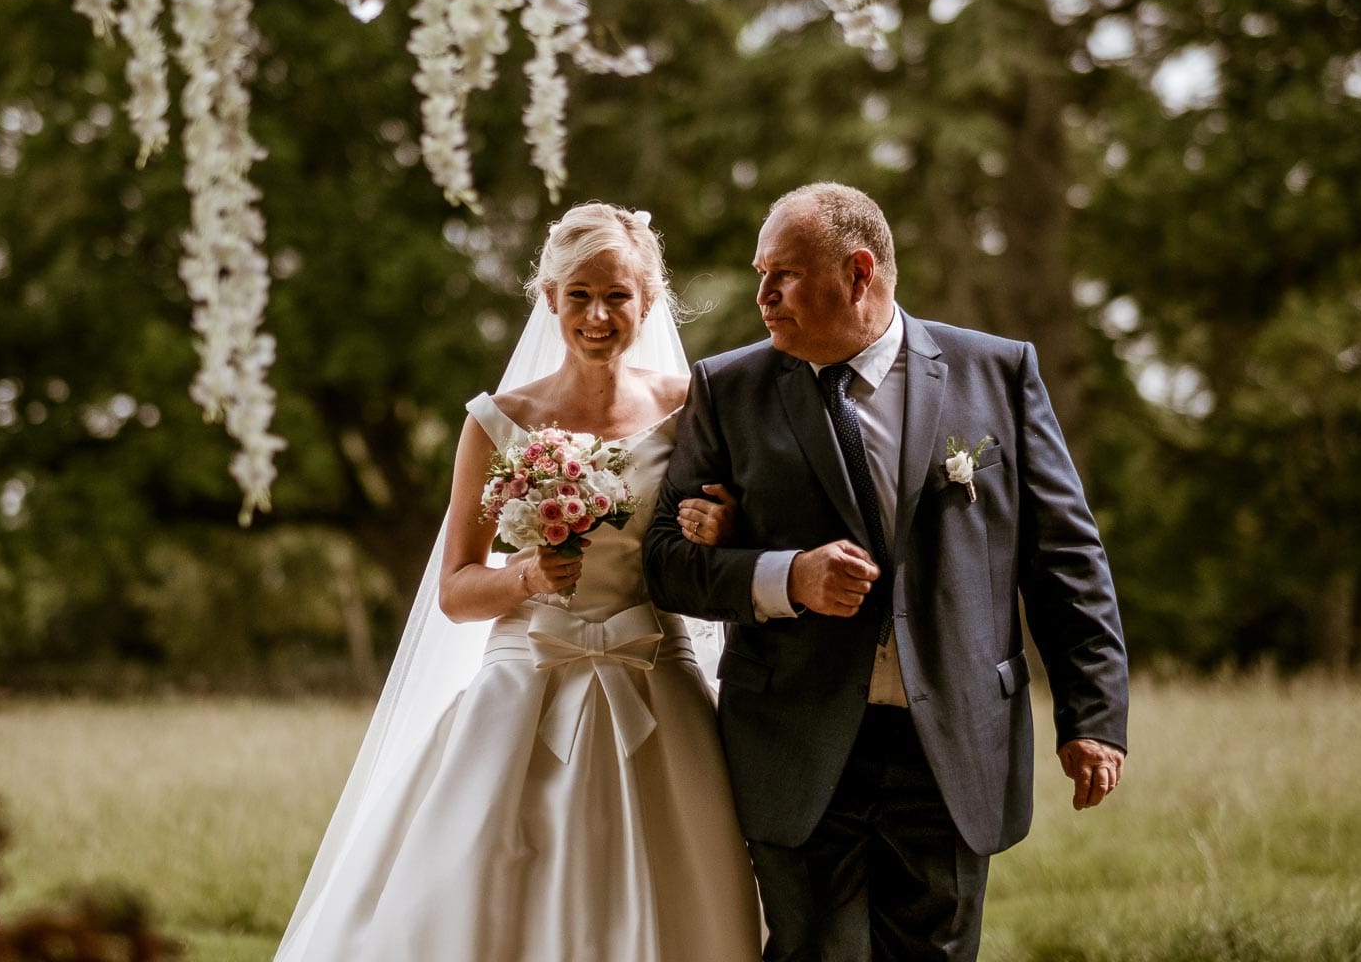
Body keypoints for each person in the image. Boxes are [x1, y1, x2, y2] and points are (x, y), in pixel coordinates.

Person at [644, 182, 1130, 962]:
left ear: (859, 272)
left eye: (785, 275)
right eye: (761, 273)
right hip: (795, 745)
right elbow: (665, 565)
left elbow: (1065, 556)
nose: (762, 295)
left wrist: (1094, 715)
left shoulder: (998, 374)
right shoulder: (727, 389)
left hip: (952, 744)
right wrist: (785, 577)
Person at [276, 202, 762, 962]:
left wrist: (724, 530)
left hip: (656, 673)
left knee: (691, 894)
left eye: (617, 295)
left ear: (650, 300)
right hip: (526, 680)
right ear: (550, 299)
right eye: (580, 296)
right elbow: (456, 589)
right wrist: (527, 576)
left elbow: (720, 545)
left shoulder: (694, 410)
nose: (598, 315)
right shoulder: (497, 422)